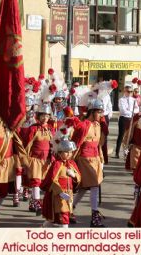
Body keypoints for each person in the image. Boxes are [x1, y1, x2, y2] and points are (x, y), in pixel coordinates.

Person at [71, 98, 106, 227]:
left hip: (95, 158)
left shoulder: (98, 125)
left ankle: (70, 208)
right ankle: (94, 216)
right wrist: (70, 161)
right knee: (95, 186)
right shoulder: (83, 125)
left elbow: (98, 145)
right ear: (92, 111)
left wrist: (101, 159)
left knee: (85, 188)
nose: (101, 115)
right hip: (84, 159)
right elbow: (75, 143)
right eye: (99, 112)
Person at [20, 103, 55, 216]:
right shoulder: (33, 128)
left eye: (47, 116)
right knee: (36, 181)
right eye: (43, 115)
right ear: (38, 116)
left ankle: (32, 202)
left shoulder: (50, 129)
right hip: (34, 159)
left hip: (46, 160)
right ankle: (37, 203)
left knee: (43, 183)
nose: (45, 118)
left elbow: (53, 145)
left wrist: (52, 157)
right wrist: (25, 160)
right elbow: (27, 145)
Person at [41, 136, 81, 228]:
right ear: (59, 153)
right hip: (58, 195)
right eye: (66, 152)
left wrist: (74, 175)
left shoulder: (72, 163)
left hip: (68, 194)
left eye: (70, 152)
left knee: (55, 218)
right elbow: (52, 179)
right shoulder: (57, 164)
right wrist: (60, 192)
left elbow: (79, 178)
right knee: (63, 217)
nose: (69, 154)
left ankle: (42, 229)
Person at [116, 84, 139, 159]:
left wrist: (132, 112)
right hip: (124, 118)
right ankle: (117, 152)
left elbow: (137, 109)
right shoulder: (121, 100)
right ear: (124, 91)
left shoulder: (133, 100)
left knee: (130, 136)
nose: (130, 93)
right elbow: (123, 111)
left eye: (131, 91)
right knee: (121, 135)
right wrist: (132, 112)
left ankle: (127, 153)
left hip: (131, 119)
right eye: (128, 91)